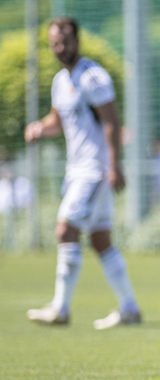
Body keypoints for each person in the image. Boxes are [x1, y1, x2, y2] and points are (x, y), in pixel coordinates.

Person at [24, 17, 142, 329]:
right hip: (77, 169)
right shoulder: (60, 81)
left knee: (66, 230)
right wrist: (39, 128)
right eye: (54, 44)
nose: (59, 48)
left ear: (77, 41)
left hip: (94, 170)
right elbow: (57, 122)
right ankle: (130, 309)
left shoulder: (93, 76)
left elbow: (112, 121)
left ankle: (60, 308)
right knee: (101, 240)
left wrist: (114, 166)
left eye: (64, 42)